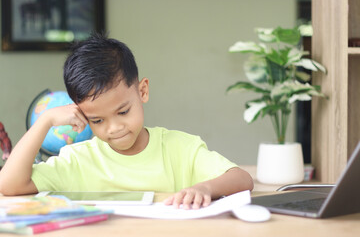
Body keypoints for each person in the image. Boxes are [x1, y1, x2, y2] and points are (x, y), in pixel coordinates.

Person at [0, 33, 253, 209]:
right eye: (97, 120)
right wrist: (44, 120)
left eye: (123, 112)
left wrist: (206, 189)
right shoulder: (78, 159)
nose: (114, 128)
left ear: (142, 91)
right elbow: (9, 185)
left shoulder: (179, 148)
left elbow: (242, 179)